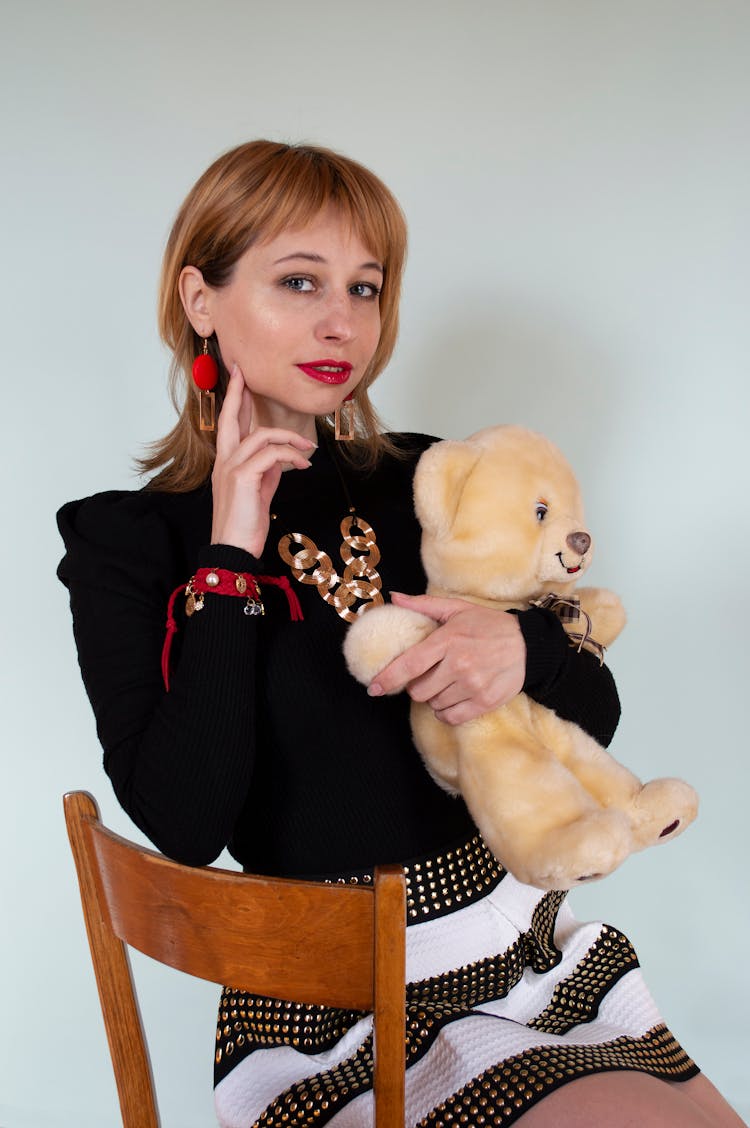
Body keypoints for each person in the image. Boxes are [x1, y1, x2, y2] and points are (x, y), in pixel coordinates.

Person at [57, 140, 744, 1128]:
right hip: (325, 1014)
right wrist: (233, 549)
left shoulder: (427, 477)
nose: (343, 321)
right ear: (201, 299)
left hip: (513, 956)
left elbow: (592, 709)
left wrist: (528, 649)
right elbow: (184, 822)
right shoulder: (128, 545)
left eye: (366, 288)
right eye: (300, 281)